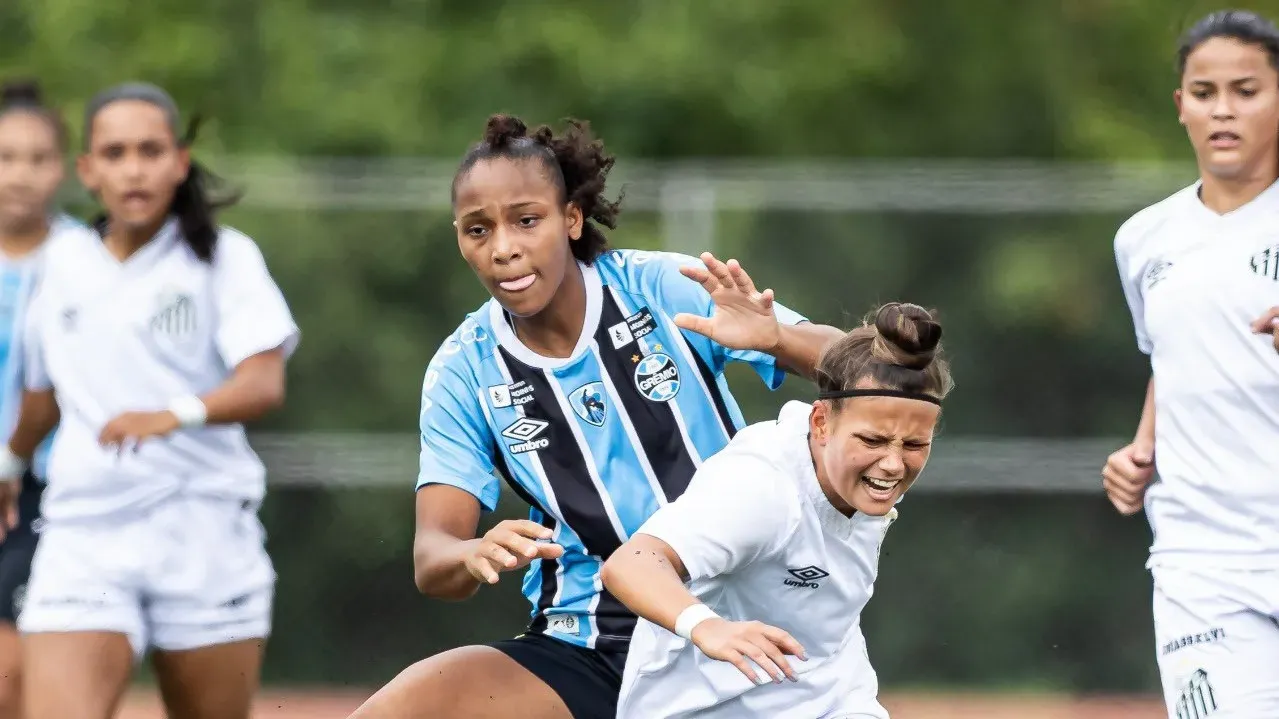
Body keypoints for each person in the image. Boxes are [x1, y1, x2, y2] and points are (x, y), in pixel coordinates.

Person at [348, 114, 844, 719]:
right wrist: (472, 552)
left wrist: (775, 340)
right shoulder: (463, 370)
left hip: (740, 630)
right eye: (478, 230)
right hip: (592, 645)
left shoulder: (659, 287)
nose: (503, 247)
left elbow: (865, 375)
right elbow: (433, 558)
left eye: (526, 221)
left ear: (571, 220)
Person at [0, 82, 299, 719]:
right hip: (85, 533)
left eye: (149, 149)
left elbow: (263, 381)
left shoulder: (224, 258)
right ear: (87, 169)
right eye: (114, 153)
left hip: (204, 530)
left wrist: (175, 412)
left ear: (179, 160)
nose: (133, 168)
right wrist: (8, 464)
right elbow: (44, 395)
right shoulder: (61, 263)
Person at [601, 302, 950, 719]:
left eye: (914, 445)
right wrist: (706, 625)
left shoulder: (863, 469)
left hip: (834, 702)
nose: (894, 464)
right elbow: (631, 564)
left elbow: (852, 362)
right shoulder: (763, 488)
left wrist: (782, 337)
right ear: (821, 424)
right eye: (873, 441)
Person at [1103, 10, 1279, 718]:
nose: (1223, 110)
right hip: (1201, 561)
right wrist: (1141, 446)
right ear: (1180, 106)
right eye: (1204, 93)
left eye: (1245, 90)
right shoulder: (1143, 239)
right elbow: (1169, 357)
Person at [0, 78, 78, 719]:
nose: (20, 174)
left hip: (42, 487)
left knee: (15, 675)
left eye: (36, 158)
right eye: (5, 157)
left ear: (63, 167)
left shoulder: (85, 259)